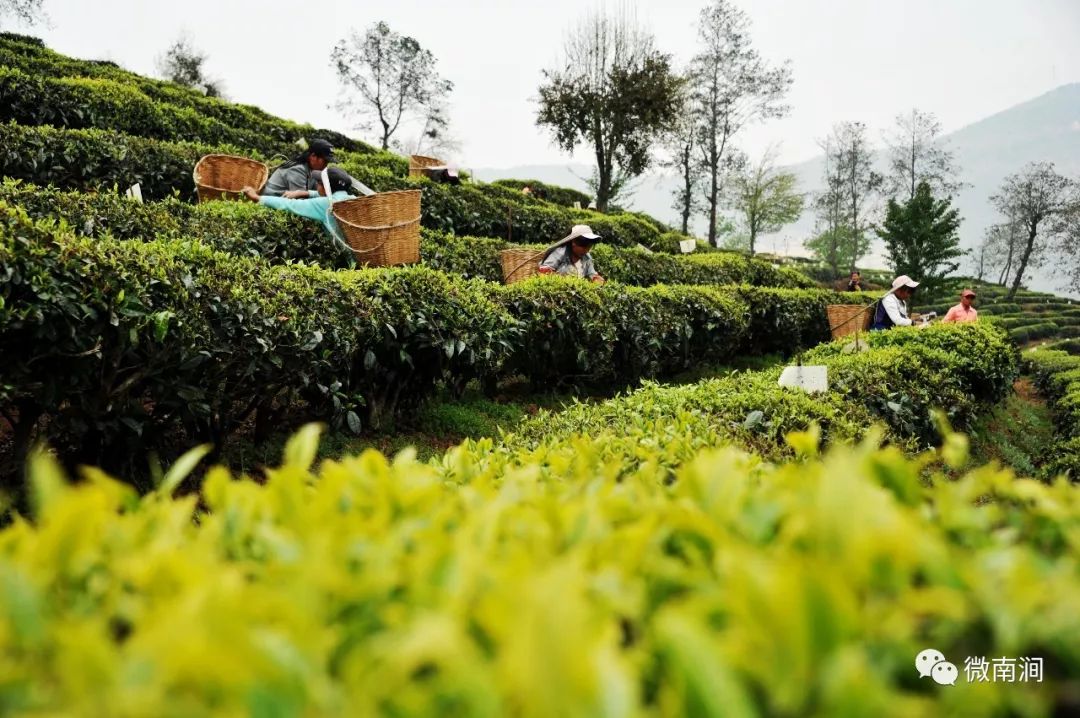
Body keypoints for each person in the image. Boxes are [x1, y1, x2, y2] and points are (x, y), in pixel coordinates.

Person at [242, 167, 352, 239]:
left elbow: (291, 205)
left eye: (319, 182)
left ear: (327, 187)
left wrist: (258, 198)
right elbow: (322, 194)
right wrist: (305, 193)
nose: (317, 185)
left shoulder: (327, 205)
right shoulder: (350, 199)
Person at [261, 139, 340, 197]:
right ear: (313, 156)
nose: (326, 164)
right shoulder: (297, 169)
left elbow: (319, 192)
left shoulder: (312, 169)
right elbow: (300, 200)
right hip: (269, 202)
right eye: (325, 161)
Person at [538, 224, 605, 284]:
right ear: (573, 242)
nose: (586, 250)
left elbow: (592, 273)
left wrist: (597, 279)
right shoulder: (560, 253)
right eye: (583, 246)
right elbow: (543, 272)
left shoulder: (587, 257)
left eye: (589, 247)